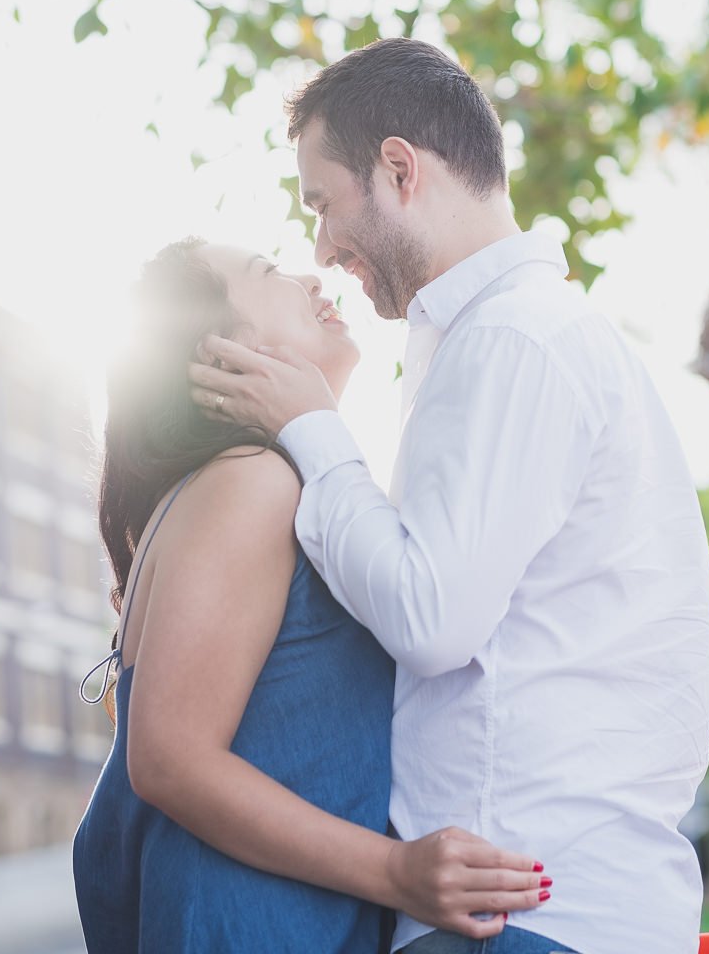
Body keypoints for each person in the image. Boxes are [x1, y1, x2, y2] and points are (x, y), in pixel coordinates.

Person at [189, 38, 709, 954]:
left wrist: (313, 430)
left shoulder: (513, 338)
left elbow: (431, 618)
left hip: (524, 916)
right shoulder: (492, 338)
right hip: (524, 911)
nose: (321, 245)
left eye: (324, 203)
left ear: (398, 168)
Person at [73, 237, 549, 954]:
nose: (310, 276)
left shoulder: (236, 488)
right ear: (225, 351)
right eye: (270, 274)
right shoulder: (249, 480)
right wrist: (400, 872)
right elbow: (169, 757)